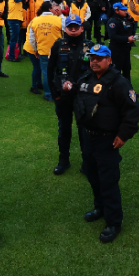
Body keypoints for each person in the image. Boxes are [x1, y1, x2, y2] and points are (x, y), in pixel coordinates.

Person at [74, 45, 139, 244]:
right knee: (93, 175)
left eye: (99, 58)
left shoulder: (119, 82)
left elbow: (133, 111)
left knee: (108, 181)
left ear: (109, 60)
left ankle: (114, 221)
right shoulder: (85, 79)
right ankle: (100, 207)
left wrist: (123, 135)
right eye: (92, 58)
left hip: (107, 139)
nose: (94, 61)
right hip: (88, 137)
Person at [47, 15, 92, 175]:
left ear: (81, 28)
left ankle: (87, 163)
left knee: (84, 131)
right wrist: (56, 95)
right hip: (63, 98)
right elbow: (50, 71)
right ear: (65, 29)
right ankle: (63, 160)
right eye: (70, 27)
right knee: (64, 130)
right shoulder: (58, 45)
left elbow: (96, 73)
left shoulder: (90, 45)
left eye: (76, 27)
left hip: (83, 97)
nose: (73, 30)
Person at [26, 2, 63, 101]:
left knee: (46, 73)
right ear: (50, 9)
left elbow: (32, 38)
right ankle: (57, 92)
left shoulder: (35, 20)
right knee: (57, 71)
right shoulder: (58, 19)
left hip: (43, 50)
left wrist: (35, 50)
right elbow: (67, 30)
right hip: (57, 50)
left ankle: (48, 94)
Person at [106, 2, 137, 79]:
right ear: (116, 11)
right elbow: (113, 36)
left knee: (127, 69)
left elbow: (131, 31)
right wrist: (127, 39)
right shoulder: (113, 22)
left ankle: (128, 89)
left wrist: (131, 20)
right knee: (117, 70)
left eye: (126, 10)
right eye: (123, 10)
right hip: (117, 50)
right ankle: (115, 89)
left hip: (126, 48)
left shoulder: (125, 19)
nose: (125, 12)